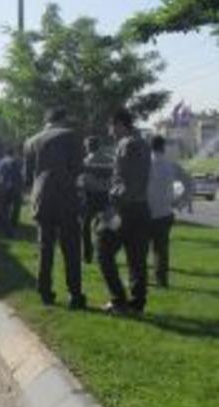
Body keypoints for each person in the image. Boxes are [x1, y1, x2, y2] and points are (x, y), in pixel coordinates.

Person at [24, 108, 86, 309]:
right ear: (63, 119)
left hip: (41, 199)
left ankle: (44, 291)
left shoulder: (31, 141)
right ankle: (75, 295)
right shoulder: (70, 136)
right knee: (71, 249)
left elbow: (27, 176)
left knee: (45, 247)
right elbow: (78, 168)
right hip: (65, 197)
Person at [98, 108, 152, 315]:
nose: (109, 131)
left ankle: (118, 301)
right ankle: (137, 305)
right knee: (137, 259)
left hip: (124, 210)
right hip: (141, 208)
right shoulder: (143, 144)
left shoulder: (126, 144)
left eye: (110, 126)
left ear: (119, 124)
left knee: (102, 250)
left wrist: (112, 206)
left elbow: (127, 182)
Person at [147, 135, 192, 288]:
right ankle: (161, 280)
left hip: (145, 211)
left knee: (140, 249)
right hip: (165, 212)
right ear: (163, 147)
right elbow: (189, 182)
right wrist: (180, 201)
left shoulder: (145, 164)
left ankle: (141, 278)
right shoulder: (171, 165)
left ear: (150, 147)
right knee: (161, 249)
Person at [80, 136, 114, 263]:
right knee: (108, 225)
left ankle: (87, 255)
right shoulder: (109, 158)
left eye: (86, 145)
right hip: (105, 195)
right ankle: (106, 253)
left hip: (91, 195)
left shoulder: (87, 160)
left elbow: (85, 180)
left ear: (89, 146)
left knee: (85, 226)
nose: (86, 148)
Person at [0, 148, 25, 230]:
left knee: (5, 206)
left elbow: (1, 174)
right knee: (16, 207)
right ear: (12, 153)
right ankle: (13, 223)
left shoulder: (3, 161)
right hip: (16, 187)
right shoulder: (18, 161)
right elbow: (21, 175)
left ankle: (5, 222)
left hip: (6, 186)